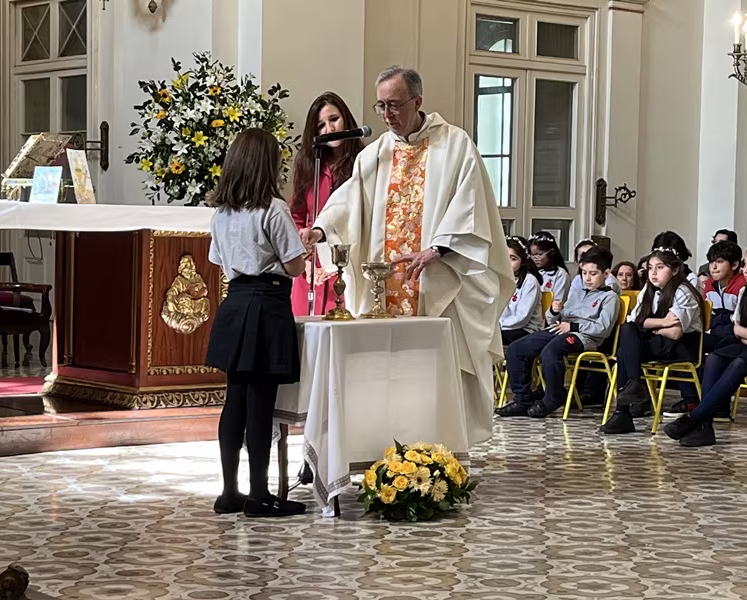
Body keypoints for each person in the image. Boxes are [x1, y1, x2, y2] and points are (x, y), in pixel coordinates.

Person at [299, 66, 515, 445]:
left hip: (436, 280)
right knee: (386, 373)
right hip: (383, 289)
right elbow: (349, 201)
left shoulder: (455, 145)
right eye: (380, 106)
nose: (386, 114)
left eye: (394, 105)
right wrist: (320, 230)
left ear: (418, 101)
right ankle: (386, 445)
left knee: (437, 373)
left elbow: (471, 205)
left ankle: (440, 450)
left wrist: (438, 249)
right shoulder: (375, 154)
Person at [205, 128, 307, 518]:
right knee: (261, 403)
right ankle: (259, 494)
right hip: (267, 304)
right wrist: (301, 250)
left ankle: (229, 491)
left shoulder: (222, 213)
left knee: (234, 401)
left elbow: (218, 260)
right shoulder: (273, 208)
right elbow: (294, 266)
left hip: (235, 303)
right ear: (268, 164)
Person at [664, 241, 747, 447]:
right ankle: (705, 428)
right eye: (745, 265)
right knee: (715, 357)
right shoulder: (746, 292)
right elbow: (738, 330)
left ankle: (695, 417)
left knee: (740, 362)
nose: (746, 270)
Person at [497, 247, 620, 418]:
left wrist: (573, 327)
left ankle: (552, 397)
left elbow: (603, 328)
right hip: (560, 330)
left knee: (551, 351)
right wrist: (554, 311)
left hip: (584, 337)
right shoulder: (578, 291)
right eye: (584, 273)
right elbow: (554, 318)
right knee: (516, 349)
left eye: (593, 274)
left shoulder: (610, 297)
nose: (587, 278)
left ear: (606, 274)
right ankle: (522, 399)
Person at [601, 247, 705, 434]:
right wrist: (663, 322)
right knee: (626, 335)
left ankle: (623, 411)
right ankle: (632, 389)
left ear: (675, 270)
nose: (653, 273)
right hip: (658, 342)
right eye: (650, 268)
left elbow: (675, 333)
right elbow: (633, 320)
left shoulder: (683, 292)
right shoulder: (648, 290)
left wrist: (649, 325)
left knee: (626, 349)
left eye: (660, 267)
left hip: (680, 347)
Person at [290, 92, 364, 316]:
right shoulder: (308, 164)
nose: (329, 129)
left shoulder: (362, 161)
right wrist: (306, 258)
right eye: (321, 125)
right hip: (310, 268)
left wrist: (332, 266)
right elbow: (296, 215)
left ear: (346, 119)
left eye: (334, 119)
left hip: (348, 263)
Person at [662, 239, 746, 420]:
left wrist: (722, 321)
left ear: (734, 265)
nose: (713, 267)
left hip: (737, 338)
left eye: (719, 262)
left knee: (718, 353)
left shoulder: (743, 286)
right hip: (716, 335)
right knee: (683, 340)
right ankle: (691, 399)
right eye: (711, 262)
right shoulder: (709, 285)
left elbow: (740, 321)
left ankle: (717, 406)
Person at [500, 236, 543, 346]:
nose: (507, 262)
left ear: (523, 261)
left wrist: (499, 326)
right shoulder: (499, 279)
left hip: (526, 330)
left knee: (490, 338)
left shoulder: (530, 281)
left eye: (513, 259)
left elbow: (522, 318)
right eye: (504, 257)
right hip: (502, 327)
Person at [530, 231, 570, 302]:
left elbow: (558, 300)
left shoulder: (560, 274)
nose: (535, 258)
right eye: (532, 255)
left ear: (551, 252)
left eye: (539, 254)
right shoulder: (529, 271)